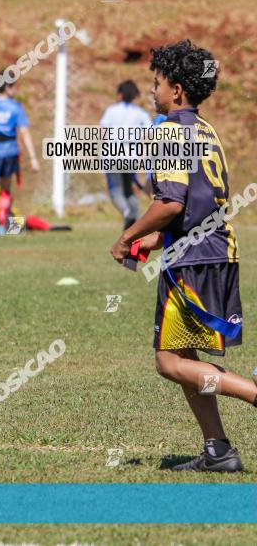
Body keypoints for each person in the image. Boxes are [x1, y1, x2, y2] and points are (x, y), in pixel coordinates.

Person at [110, 40, 248, 473]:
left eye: (158, 83)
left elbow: (170, 202)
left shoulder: (169, 130)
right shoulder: (205, 130)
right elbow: (197, 203)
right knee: (184, 358)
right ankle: (218, 450)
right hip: (214, 252)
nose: (153, 90)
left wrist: (128, 235)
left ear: (178, 89)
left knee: (168, 363)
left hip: (194, 261)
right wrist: (155, 241)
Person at [0, 78, 40, 229]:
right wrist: (33, 158)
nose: (14, 89)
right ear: (7, 87)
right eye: (13, 86)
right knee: (6, 189)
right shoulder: (15, 107)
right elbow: (24, 132)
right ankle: (2, 226)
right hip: (11, 150)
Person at [99, 80, 153, 229]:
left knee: (116, 190)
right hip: (131, 156)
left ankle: (127, 212)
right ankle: (136, 222)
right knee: (129, 190)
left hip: (112, 155)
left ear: (120, 94)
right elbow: (150, 133)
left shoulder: (111, 110)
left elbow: (103, 131)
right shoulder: (140, 113)